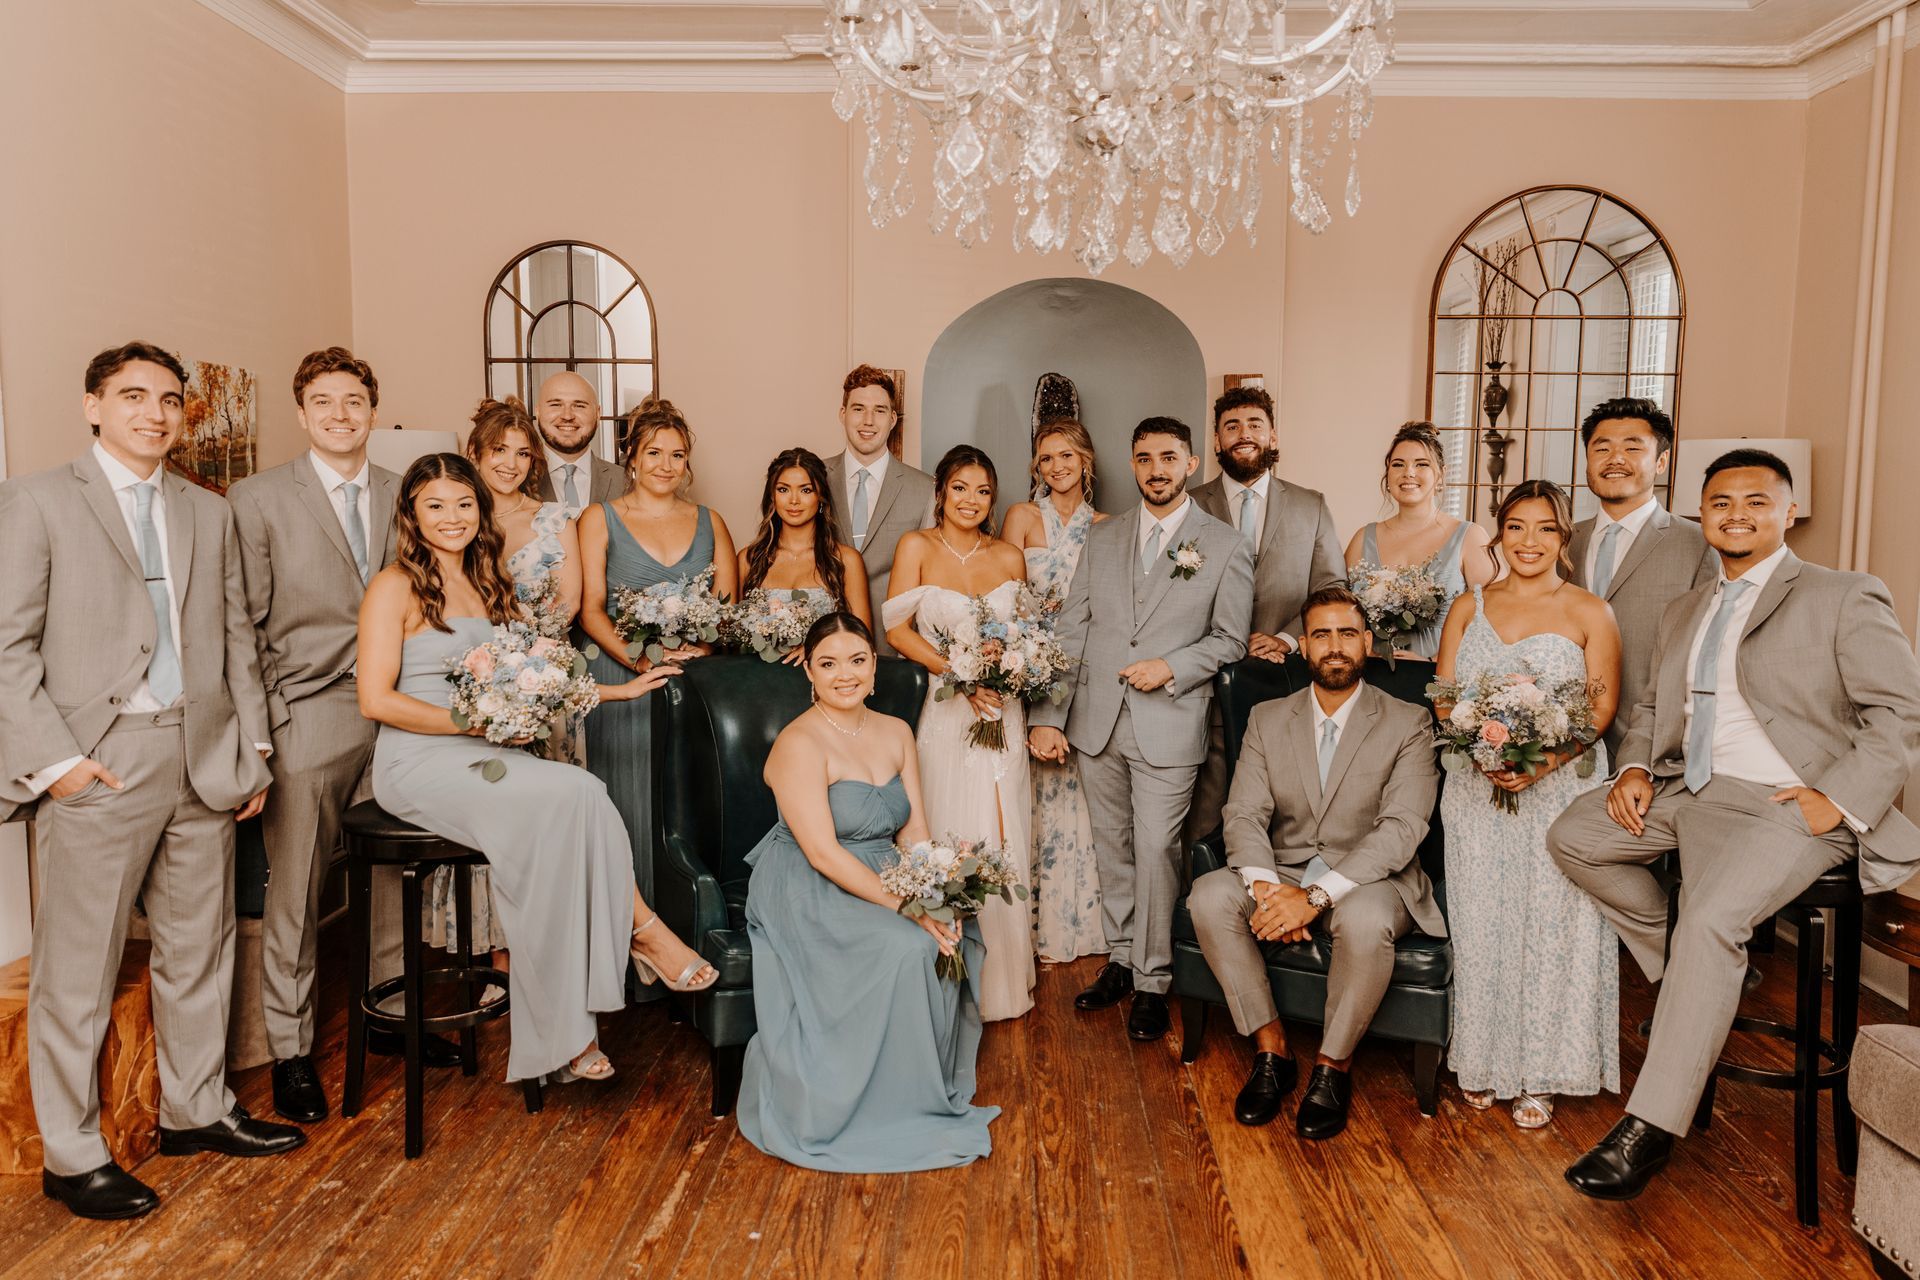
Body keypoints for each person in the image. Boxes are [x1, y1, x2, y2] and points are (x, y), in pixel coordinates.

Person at [1549, 449, 1920, 1201]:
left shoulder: (1843, 594)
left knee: (1712, 918)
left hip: (1791, 803)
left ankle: (1646, 1131)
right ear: (1701, 515)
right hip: (1692, 789)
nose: (1737, 514)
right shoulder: (1689, 607)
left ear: (1788, 513)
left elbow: (1901, 713)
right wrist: (1634, 770)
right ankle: (1706, 973)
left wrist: (1837, 801)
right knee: (1574, 838)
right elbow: (1656, 707)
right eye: (1720, 503)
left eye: (1757, 501)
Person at [3, 341, 302, 1221]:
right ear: (93, 406)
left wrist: (252, 745)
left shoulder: (206, 512)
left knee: (199, 947)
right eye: (133, 397)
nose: (155, 413)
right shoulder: (36, 501)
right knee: (78, 966)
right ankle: (71, 1151)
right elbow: (7, 647)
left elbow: (236, 635)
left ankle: (195, 1107)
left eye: (170, 400)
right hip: (100, 758)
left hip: (203, 754)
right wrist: (57, 765)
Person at [358, 453, 716, 1086]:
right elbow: (375, 699)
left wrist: (618, 693)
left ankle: (572, 1036)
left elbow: (535, 680)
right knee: (573, 792)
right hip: (421, 759)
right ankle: (643, 932)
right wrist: (474, 725)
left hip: (488, 755)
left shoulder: (489, 581)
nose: (452, 518)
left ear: (481, 510)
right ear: (411, 514)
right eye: (435, 505)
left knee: (577, 797)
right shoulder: (395, 586)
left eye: (463, 504)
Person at [229, 346, 451, 1128]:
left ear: (371, 407)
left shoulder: (405, 494)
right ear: (302, 412)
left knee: (392, 869)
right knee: (296, 885)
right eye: (323, 402)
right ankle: (291, 1049)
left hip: (396, 705)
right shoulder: (256, 499)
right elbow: (241, 626)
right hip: (309, 710)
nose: (339, 414)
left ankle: (391, 1015)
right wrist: (262, 733)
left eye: (353, 400)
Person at [737, 612, 998, 1170]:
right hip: (807, 880)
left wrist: (936, 894)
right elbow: (823, 854)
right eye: (828, 664)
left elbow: (914, 830)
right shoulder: (799, 743)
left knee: (952, 931)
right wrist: (908, 909)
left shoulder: (896, 731)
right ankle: (875, 1103)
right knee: (905, 947)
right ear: (808, 670)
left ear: (874, 667)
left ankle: (919, 1089)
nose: (845, 675)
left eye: (857, 660)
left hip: (885, 867)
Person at [1029, 418, 1254, 1042]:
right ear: (1131, 464)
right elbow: (1071, 630)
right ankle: (1123, 960)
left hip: (1171, 723)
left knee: (1157, 852)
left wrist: (1172, 667)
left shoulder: (1225, 544)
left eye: (1168, 457)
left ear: (1191, 462)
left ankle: (1156, 981)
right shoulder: (1103, 538)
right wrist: (1049, 715)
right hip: (1097, 721)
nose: (1156, 468)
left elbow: (1231, 638)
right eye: (1144, 456)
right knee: (1114, 849)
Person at [1188, 586, 1443, 1137]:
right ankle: (1271, 1049)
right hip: (1280, 867)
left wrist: (1316, 896)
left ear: (1367, 644)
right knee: (1208, 895)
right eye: (1322, 635)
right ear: (1303, 646)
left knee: (1366, 919)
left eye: (1347, 634)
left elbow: (1402, 829)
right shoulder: (1267, 717)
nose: (1335, 646)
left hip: (1372, 876)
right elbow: (1244, 813)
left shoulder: (1409, 721)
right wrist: (1265, 890)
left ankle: (1333, 1066)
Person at [1432, 480, 1622, 1129]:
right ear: (1498, 534)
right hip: (1474, 792)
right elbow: (1443, 692)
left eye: (1546, 528)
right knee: (1483, 923)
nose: (1530, 541)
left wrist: (1540, 761)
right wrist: (1480, 751)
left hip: (1558, 794)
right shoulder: (1468, 606)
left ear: (1564, 538)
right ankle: (1482, 1061)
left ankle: (1542, 1070)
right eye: (1517, 527)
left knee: (1550, 928)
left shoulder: (1590, 611)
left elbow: (1599, 707)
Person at [577, 397, 738, 972]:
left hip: (692, 687)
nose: (666, 465)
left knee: (682, 810)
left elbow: (727, 612)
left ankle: (684, 942)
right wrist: (638, 662)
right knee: (622, 808)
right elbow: (590, 610)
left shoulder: (711, 521)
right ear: (631, 456)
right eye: (654, 452)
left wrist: (704, 646)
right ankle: (622, 953)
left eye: (677, 454)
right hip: (622, 681)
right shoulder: (600, 518)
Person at [884, 446, 1037, 1021]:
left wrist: (1008, 669)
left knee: (1002, 829)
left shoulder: (1009, 556)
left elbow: (1024, 634)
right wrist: (959, 674)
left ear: (992, 500)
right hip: (948, 714)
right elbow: (895, 629)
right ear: (941, 492)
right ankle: (946, 975)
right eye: (960, 488)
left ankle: (1001, 978)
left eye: (982, 491)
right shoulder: (916, 547)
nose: (970, 500)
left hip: (1002, 712)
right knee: (947, 828)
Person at [438, 396, 585, 990]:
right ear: (474, 452)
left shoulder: (557, 519)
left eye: (524, 454)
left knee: (548, 823)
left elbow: (570, 603)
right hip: (481, 690)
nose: (512, 463)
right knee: (493, 823)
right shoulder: (456, 521)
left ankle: (549, 954)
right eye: (499, 450)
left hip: (548, 686)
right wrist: (492, 667)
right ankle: (498, 957)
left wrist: (533, 664)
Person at [1185, 384, 1345, 846]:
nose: (1243, 434)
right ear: (1216, 441)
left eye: (1255, 424)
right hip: (1205, 689)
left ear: (1273, 435)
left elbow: (1332, 589)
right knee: (1202, 818)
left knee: (1283, 813)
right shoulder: (1188, 505)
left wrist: (1289, 638)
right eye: (1231, 426)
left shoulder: (1310, 504)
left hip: (1285, 683)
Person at [1001, 420, 1108, 962]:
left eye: (1066, 456)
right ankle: (1024, 927)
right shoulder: (1021, 516)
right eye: (1046, 459)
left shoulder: (1108, 525)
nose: (1057, 466)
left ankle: (1073, 924)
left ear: (1085, 460)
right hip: (1028, 668)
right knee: (1027, 792)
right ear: (1036, 468)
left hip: (1084, 677)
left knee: (1076, 801)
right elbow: (1000, 590)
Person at [1566, 398, 1718, 760]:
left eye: (1633, 447)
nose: (1615, 458)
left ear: (1661, 462)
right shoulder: (1560, 541)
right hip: (1561, 744)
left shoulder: (1699, 544)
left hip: (1654, 749)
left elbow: (1708, 654)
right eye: (1602, 447)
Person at [1342, 421, 1495, 660]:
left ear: (1441, 475)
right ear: (1388, 474)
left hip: (1440, 677)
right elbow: (1340, 614)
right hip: (1370, 673)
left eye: (1421, 464)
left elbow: (1497, 618)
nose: (1408, 473)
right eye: (1398, 464)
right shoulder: (1363, 538)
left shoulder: (1469, 537)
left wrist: (1433, 661)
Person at [823, 365, 934, 657]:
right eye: (858, 408)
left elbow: (932, 578)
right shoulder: (813, 479)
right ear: (842, 413)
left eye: (880, 410)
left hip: (895, 649)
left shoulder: (925, 489)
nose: (868, 421)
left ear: (893, 419)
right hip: (821, 643)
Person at [736, 446, 873, 658]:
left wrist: (816, 650)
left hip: (823, 680)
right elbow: (731, 639)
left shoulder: (845, 559)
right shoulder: (748, 559)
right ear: (772, 497)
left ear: (821, 497)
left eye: (806, 490)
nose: (794, 500)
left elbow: (862, 640)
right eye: (783, 489)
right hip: (757, 679)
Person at [531, 370, 629, 518]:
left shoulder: (626, 482)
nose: (567, 416)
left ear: (597, 413)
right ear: (538, 412)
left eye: (579, 406)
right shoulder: (519, 480)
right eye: (556, 404)